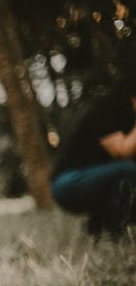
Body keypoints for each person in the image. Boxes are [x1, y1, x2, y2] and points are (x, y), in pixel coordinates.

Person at [51, 75, 136, 238]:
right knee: (128, 171)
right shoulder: (102, 111)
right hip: (69, 182)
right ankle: (115, 233)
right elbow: (122, 151)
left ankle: (97, 227)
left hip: (101, 180)